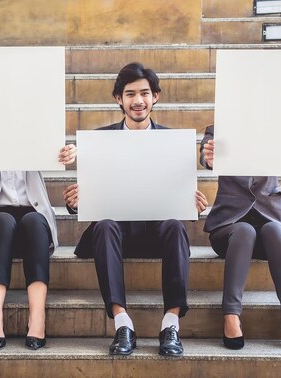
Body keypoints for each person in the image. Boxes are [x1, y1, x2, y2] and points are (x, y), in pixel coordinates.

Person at [63, 62, 208, 357]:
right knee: (104, 225)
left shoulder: (173, 141)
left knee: (176, 226)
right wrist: (74, 202)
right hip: (115, 234)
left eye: (144, 93)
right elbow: (90, 196)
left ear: (156, 96)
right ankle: (122, 323)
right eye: (130, 94)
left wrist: (195, 204)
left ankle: (171, 324)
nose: (138, 101)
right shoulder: (99, 141)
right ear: (119, 99)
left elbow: (180, 193)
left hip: (156, 232)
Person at [200, 125, 281, 350]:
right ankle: (231, 315)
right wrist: (210, 158)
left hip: (269, 218)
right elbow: (206, 157)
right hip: (229, 227)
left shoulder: (279, 126)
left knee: (274, 230)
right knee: (245, 230)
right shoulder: (219, 128)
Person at [0, 141, 77, 350]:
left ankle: (37, 316)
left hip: (32, 218)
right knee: (3, 221)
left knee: (35, 222)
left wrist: (69, 151)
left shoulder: (35, 131)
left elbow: (53, 147)